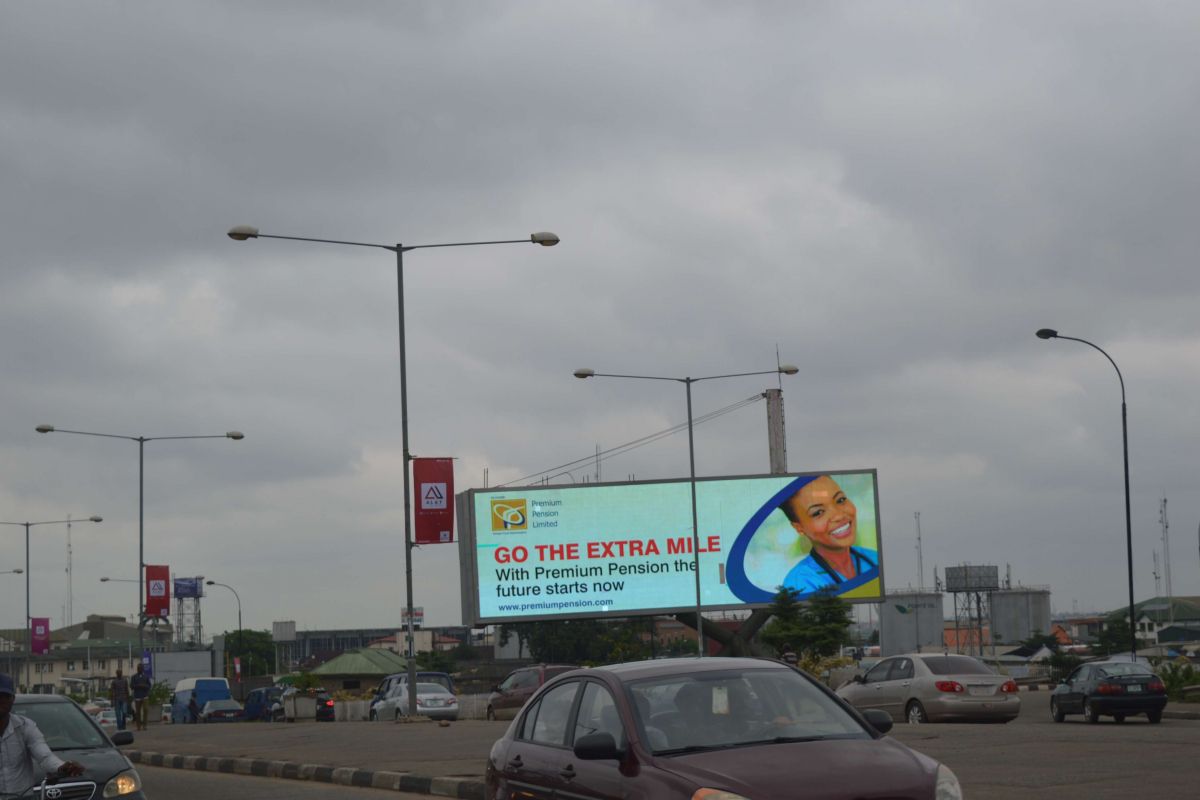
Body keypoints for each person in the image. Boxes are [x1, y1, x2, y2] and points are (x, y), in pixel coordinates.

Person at [778, 474, 878, 593]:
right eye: (818, 512)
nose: (839, 515)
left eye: (840, 500)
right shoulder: (799, 583)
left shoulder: (874, 558)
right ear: (799, 527)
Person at [0, 673, 84, 794]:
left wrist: (62, 767)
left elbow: (45, 757)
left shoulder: (25, 727)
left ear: (12, 699)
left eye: (5, 696)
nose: (0, 700)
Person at [130, 663, 151, 731]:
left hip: (145, 696)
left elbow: (149, 686)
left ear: (143, 669)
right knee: (138, 712)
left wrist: (144, 686)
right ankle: (138, 726)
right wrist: (138, 686)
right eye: (138, 668)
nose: (140, 669)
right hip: (137, 697)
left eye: (141, 668)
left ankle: (145, 725)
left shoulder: (146, 676)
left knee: (146, 710)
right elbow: (131, 686)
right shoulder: (134, 677)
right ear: (137, 669)